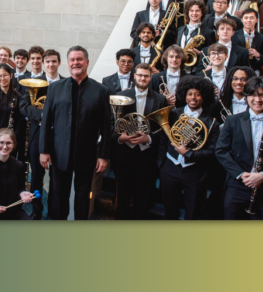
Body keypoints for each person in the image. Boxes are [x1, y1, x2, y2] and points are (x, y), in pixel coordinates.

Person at [40, 46, 112, 220]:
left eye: (79, 59)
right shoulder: (55, 88)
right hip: (59, 153)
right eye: (72, 60)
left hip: (86, 155)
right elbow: (46, 122)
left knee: (82, 196)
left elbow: (106, 126)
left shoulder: (101, 91)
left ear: (87, 62)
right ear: (68, 63)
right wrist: (44, 150)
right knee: (58, 195)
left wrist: (103, 155)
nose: (75, 63)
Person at [215, 77, 263, 220]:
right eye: (252, 95)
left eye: (262, 95)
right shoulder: (233, 121)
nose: (257, 100)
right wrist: (241, 174)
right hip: (237, 185)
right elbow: (221, 151)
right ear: (246, 97)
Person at [157, 76, 220, 220]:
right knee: (169, 209)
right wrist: (162, 164)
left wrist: (188, 153)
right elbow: (163, 140)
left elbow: (211, 151)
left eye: (198, 94)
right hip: (170, 167)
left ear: (204, 97)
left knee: (194, 211)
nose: (193, 98)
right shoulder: (173, 114)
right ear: (184, 95)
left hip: (195, 171)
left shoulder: (212, 123)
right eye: (190, 94)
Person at [112, 63, 166, 220]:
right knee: (121, 195)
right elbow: (110, 124)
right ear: (134, 76)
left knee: (143, 197)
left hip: (146, 155)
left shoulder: (160, 99)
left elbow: (162, 129)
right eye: (140, 75)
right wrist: (120, 138)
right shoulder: (121, 95)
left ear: (150, 77)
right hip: (124, 154)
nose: (142, 78)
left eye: (146, 76)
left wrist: (148, 138)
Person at [19, 48, 60, 220]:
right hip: (38, 135)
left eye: (54, 61)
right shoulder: (33, 82)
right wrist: (41, 115)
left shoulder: (67, 82)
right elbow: (23, 106)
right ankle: (37, 209)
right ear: (43, 63)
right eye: (47, 61)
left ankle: (54, 208)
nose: (50, 64)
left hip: (59, 137)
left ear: (58, 63)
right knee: (36, 175)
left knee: (57, 177)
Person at [233, 9, 263, 75]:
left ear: (256, 20)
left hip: (254, 71)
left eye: (252, 18)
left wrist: (258, 55)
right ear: (242, 19)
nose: (248, 20)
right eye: (246, 18)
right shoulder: (233, 35)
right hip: (236, 71)